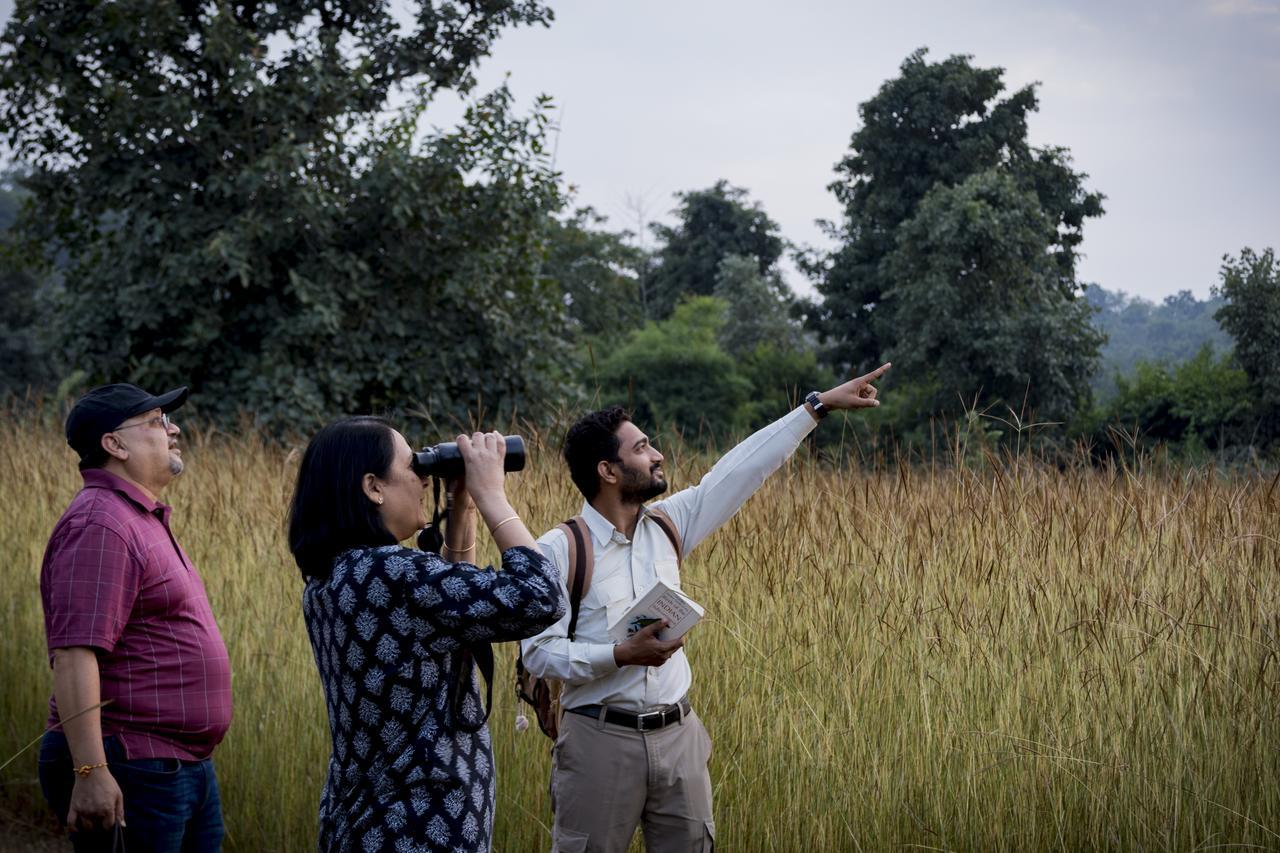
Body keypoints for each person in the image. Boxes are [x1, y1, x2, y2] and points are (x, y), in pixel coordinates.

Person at [521, 366, 891, 852]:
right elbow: (538, 654)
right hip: (598, 742)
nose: (656, 456)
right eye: (641, 448)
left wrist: (815, 408)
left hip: (680, 736)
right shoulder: (559, 549)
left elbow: (740, 471)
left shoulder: (669, 525)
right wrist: (620, 654)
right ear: (607, 472)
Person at [288, 419, 564, 852]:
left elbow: (456, 618)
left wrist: (463, 510)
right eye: (412, 464)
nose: (423, 477)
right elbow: (541, 597)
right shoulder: (390, 571)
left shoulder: (333, 576)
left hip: (365, 821)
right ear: (373, 487)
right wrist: (493, 495)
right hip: (418, 827)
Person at [38, 383, 233, 852]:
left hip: (177, 767)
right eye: (156, 421)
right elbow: (74, 652)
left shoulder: (135, 517)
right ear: (115, 444)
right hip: (133, 764)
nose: (173, 428)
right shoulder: (100, 523)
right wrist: (91, 771)